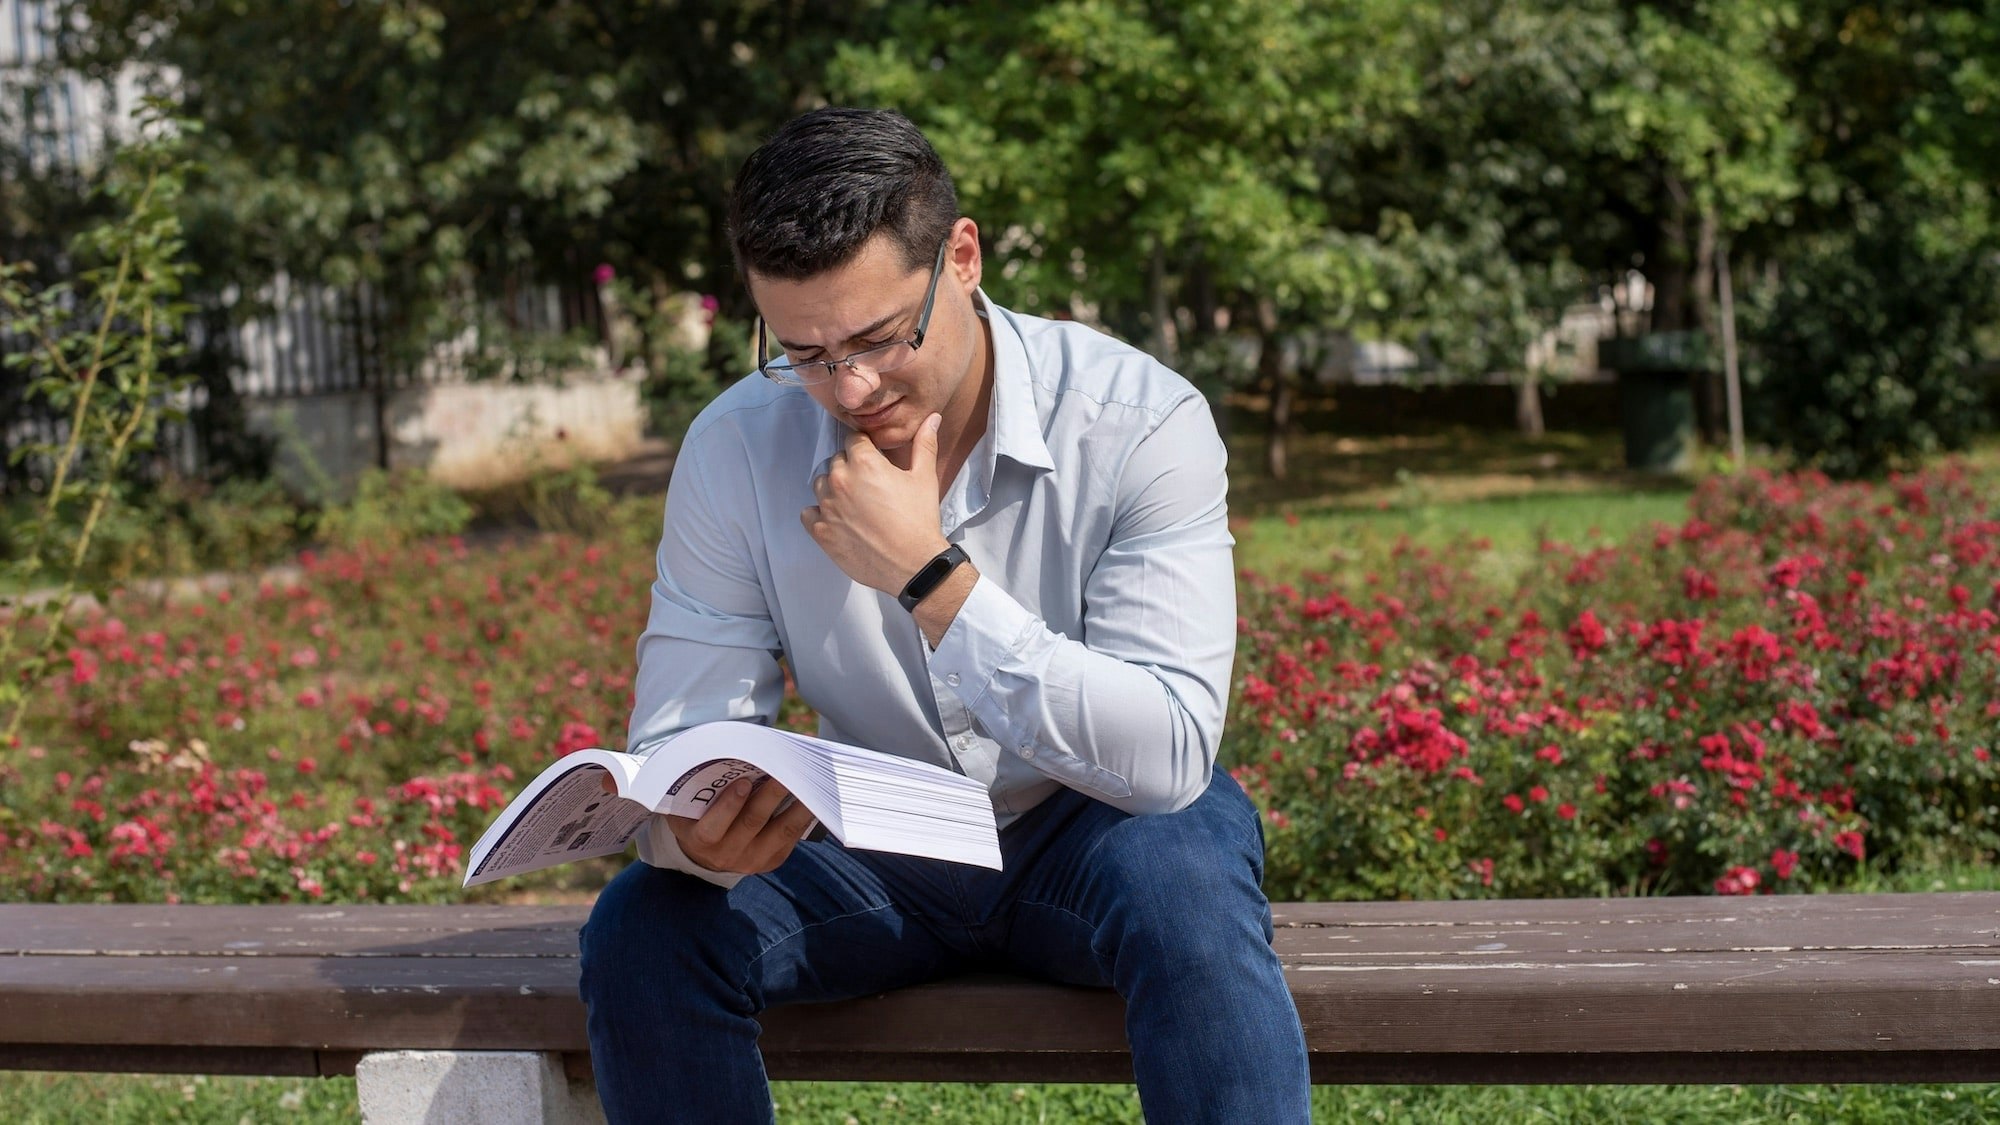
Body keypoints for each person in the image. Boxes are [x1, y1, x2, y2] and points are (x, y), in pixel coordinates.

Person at [578, 107, 1311, 1124]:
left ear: (960, 257)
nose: (849, 386)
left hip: (1097, 828)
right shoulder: (735, 447)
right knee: (643, 927)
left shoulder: (1140, 421)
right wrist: (696, 836)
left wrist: (931, 580)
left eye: (879, 337)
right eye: (802, 351)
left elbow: (1167, 754)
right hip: (875, 846)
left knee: (1181, 878)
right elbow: (681, 732)